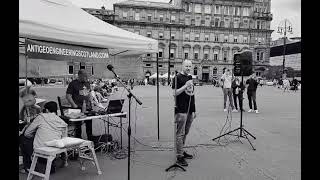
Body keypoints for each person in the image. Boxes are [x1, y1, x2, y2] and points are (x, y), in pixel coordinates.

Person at [23, 101, 68, 173]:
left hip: (41, 149)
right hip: (55, 150)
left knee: (24, 139)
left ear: (46, 110)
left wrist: (35, 135)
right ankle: (53, 163)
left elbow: (27, 133)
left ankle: (28, 166)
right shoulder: (62, 122)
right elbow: (65, 140)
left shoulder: (41, 117)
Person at [171, 60, 196, 167]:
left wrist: (194, 110)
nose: (188, 68)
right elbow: (174, 93)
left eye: (190, 66)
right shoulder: (177, 78)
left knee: (185, 132)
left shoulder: (190, 77)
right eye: (186, 66)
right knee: (180, 133)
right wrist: (185, 85)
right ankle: (179, 156)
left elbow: (192, 94)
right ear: (182, 66)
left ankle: (181, 150)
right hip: (181, 109)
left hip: (190, 109)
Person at [66, 69, 93, 141]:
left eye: (87, 76)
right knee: (78, 126)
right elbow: (68, 96)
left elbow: (89, 93)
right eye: (85, 76)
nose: (86, 78)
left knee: (89, 123)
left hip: (87, 107)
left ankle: (90, 138)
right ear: (80, 76)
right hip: (77, 107)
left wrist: (91, 102)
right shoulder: (73, 83)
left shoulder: (87, 83)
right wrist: (74, 105)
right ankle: (78, 140)